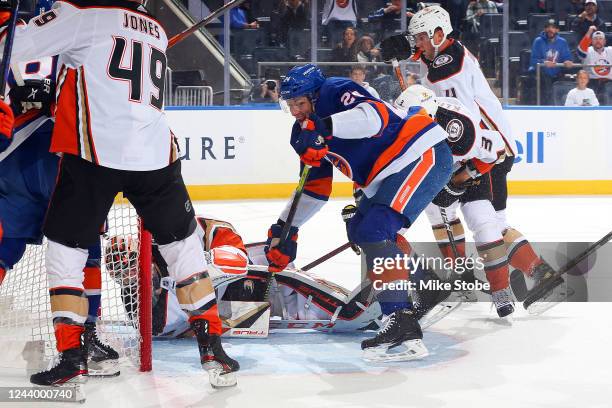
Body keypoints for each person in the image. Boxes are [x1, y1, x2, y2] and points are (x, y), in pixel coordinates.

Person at [2, 0, 238, 388]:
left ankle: (72, 355)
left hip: (95, 154)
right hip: (157, 156)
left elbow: (16, 46)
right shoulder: (155, 28)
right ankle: (213, 348)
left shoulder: (80, 14)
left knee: (66, 252)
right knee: (183, 249)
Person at [380, 6, 565, 316]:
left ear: (440, 34)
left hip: (483, 149)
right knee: (469, 217)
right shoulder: (447, 52)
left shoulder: (447, 65)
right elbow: (433, 64)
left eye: (422, 37)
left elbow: (451, 111)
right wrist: (413, 48)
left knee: (469, 217)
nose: (419, 43)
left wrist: (411, 60)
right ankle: (534, 274)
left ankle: (521, 274)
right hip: (485, 145)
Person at [266, 63, 453, 362]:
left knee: (374, 230)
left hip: (420, 153)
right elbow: (314, 189)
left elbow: (375, 117)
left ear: (314, 97)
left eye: (300, 103)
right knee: (359, 230)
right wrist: (285, 230)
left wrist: (324, 127)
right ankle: (423, 285)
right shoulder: (302, 132)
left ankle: (401, 320)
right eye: (290, 105)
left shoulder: (334, 90)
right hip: (388, 173)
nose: (296, 112)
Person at [0, 1, 119, 377]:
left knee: (5, 246)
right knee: (84, 251)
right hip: (65, 153)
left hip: (15, 155)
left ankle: (84, 338)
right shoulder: (83, 25)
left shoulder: (14, 30)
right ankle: (87, 336)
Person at [106, 215, 385, 338]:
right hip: (221, 306)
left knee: (273, 263)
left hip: (227, 280)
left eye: (130, 265)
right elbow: (164, 326)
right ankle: (349, 313)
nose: (129, 275)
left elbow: (217, 229)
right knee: (285, 284)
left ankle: (365, 299)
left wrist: (216, 259)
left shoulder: (164, 243)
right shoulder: (136, 299)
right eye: (121, 274)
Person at [529, 19, 574, 105]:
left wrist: (568, 62)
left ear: (557, 30)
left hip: (557, 74)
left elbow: (567, 58)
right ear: (545, 29)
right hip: (542, 74)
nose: (550, 30)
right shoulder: (538, 41)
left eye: (553, 27)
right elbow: (533, 60)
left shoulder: (562, 42)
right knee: (544, 85)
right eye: (548, 27)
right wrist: (544, 62)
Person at [577, 27, 612, 99]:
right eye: (595, 39)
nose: (598, 41)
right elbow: (580, 51)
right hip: (592, 81)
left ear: (604, 41)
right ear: (591, 41)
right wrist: (589, 32)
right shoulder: (587, 50)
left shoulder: (610, 50)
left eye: (600, 39)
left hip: (609, 82)